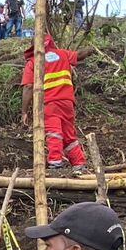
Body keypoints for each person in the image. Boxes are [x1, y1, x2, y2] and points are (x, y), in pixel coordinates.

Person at [21, 34, 88, 172]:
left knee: (54, 133)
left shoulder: (33, 62)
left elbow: (28, 87)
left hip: (49, 103)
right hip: (68, 102)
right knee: (69, 134)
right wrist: (91, 49)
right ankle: (79, 163)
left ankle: (55, 163)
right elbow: (80, 55)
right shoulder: (63, 54)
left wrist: (24, 111)